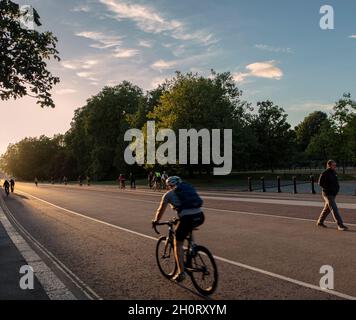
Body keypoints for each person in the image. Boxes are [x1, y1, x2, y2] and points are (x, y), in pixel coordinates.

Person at [152, 176, 204, 282]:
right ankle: (192, 247)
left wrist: (156, 221)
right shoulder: (188, 188)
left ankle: (181, 273)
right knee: (187, 226)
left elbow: (161, 210)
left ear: (169, 185)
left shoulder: (168, 194)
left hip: (187, 218)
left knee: (177, 243)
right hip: (200, 215)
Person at [317, 160, 348, 231]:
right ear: (329, 165)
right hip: (327, 194)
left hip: (333, 194)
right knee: (334, 208)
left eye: (335, 165)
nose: (335, 166)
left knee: (327, 209)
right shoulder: (324, 173)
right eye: (334, 165)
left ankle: (320, 222)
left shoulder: (334, 172)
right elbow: (320, 183)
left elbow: (336, 182)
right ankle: (340, 225)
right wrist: (328, 188)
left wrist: (337, 189)